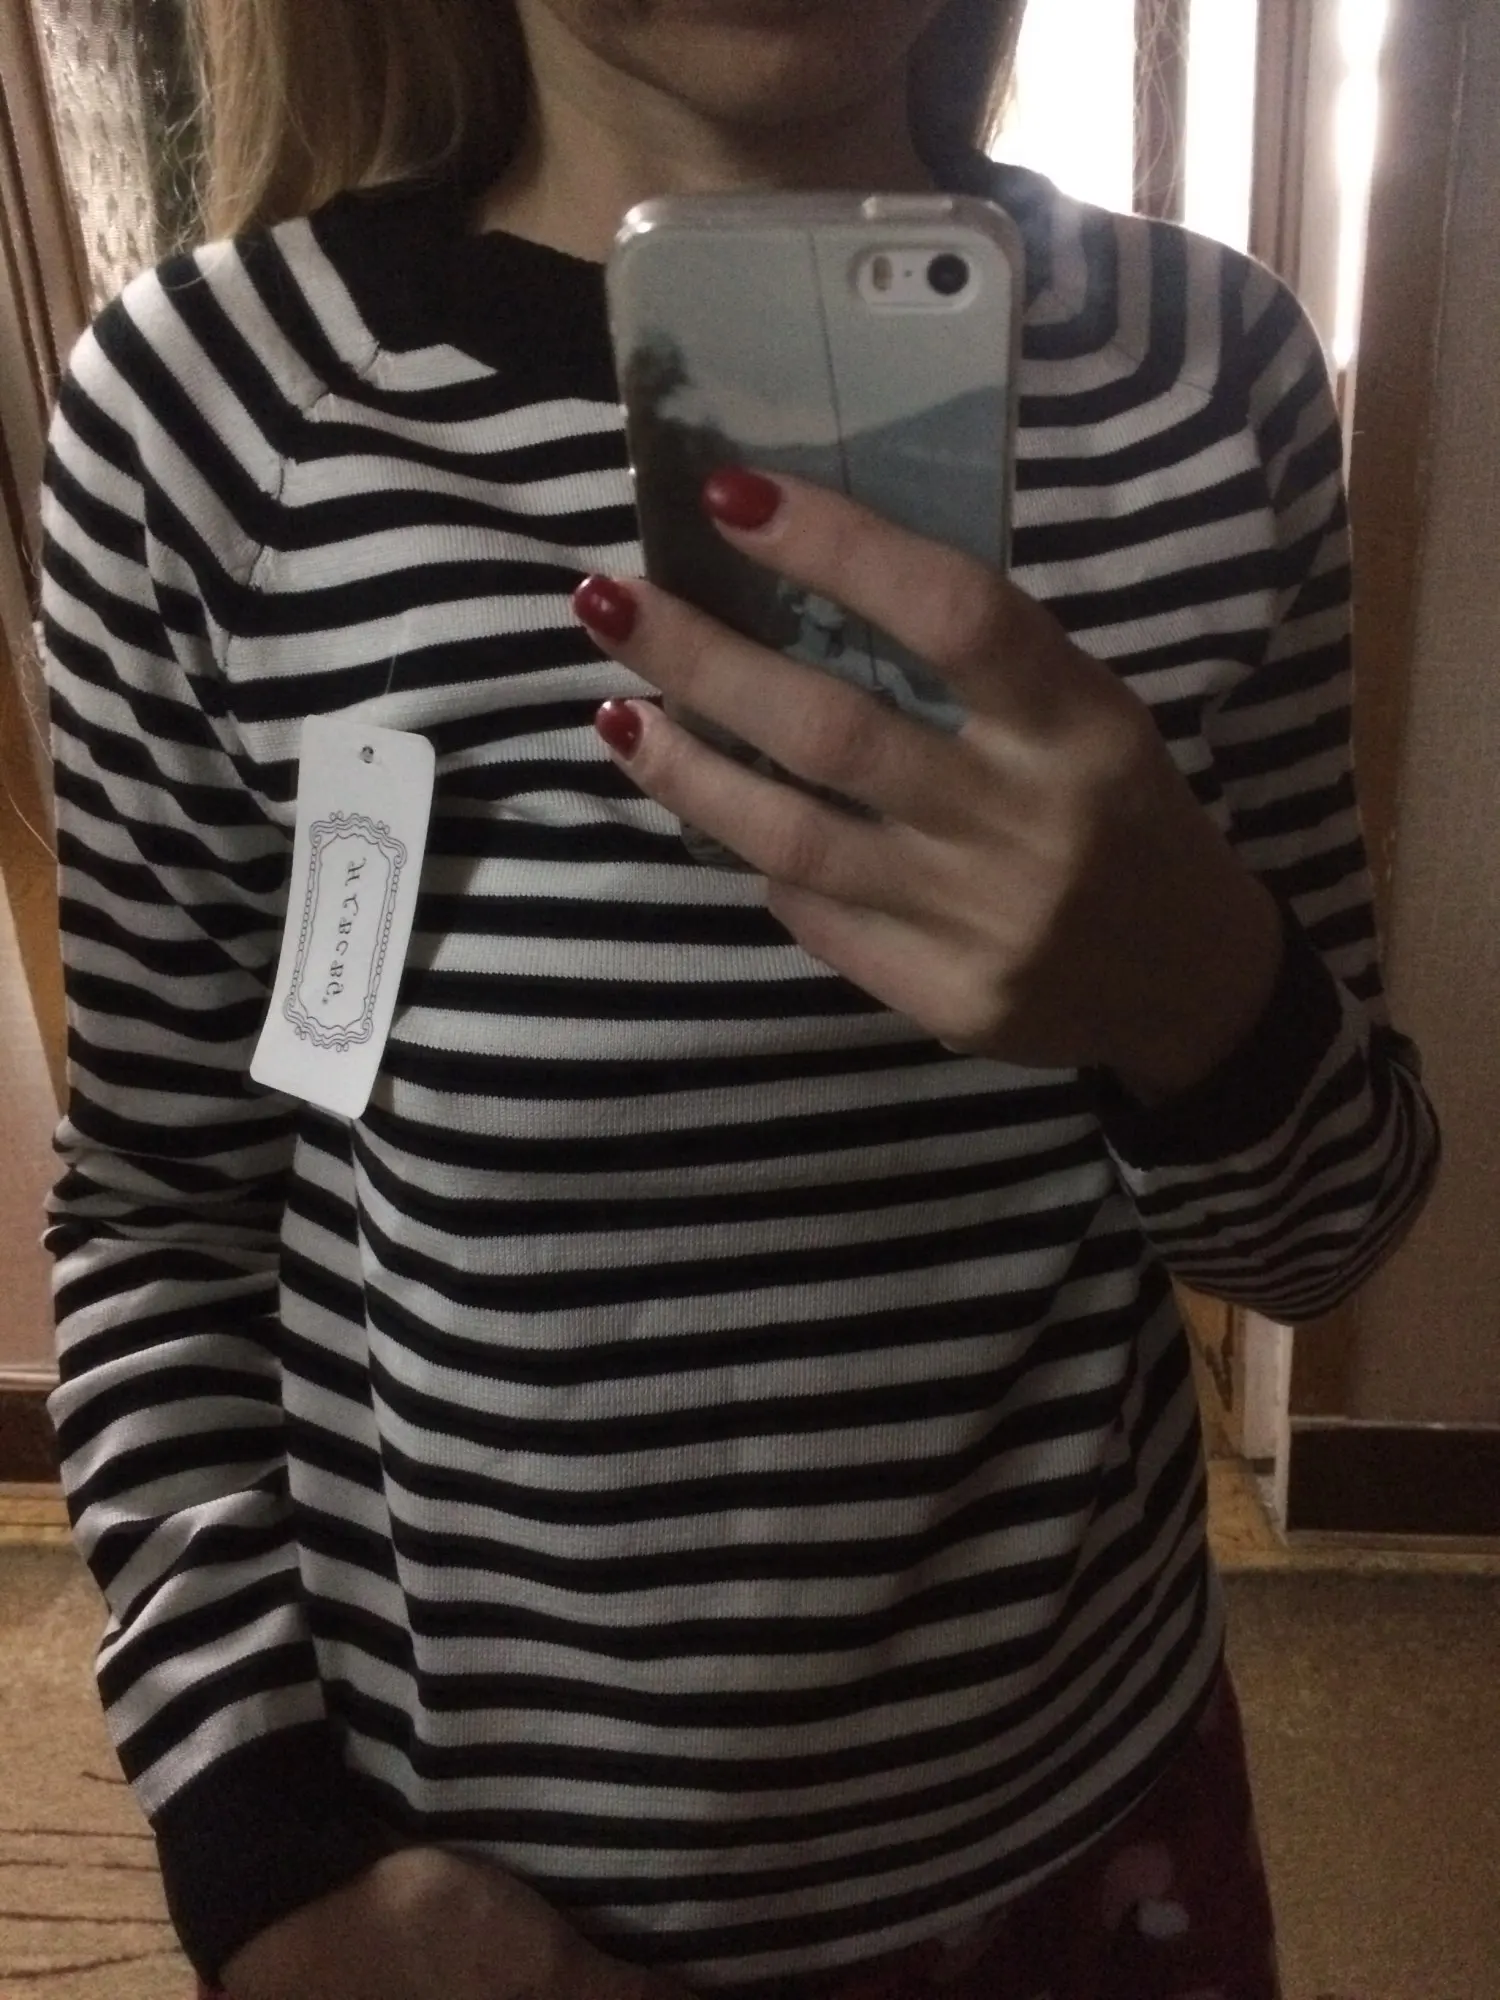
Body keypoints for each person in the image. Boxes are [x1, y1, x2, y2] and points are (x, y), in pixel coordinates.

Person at [38, 1, 1439, 1997]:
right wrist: (270, 1857)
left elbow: (1324, 1237)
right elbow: (158, 1218)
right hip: (488, 1897)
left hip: (1088, 1840)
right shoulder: (210, 423)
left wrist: (1188, 978)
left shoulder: (1211, 381)